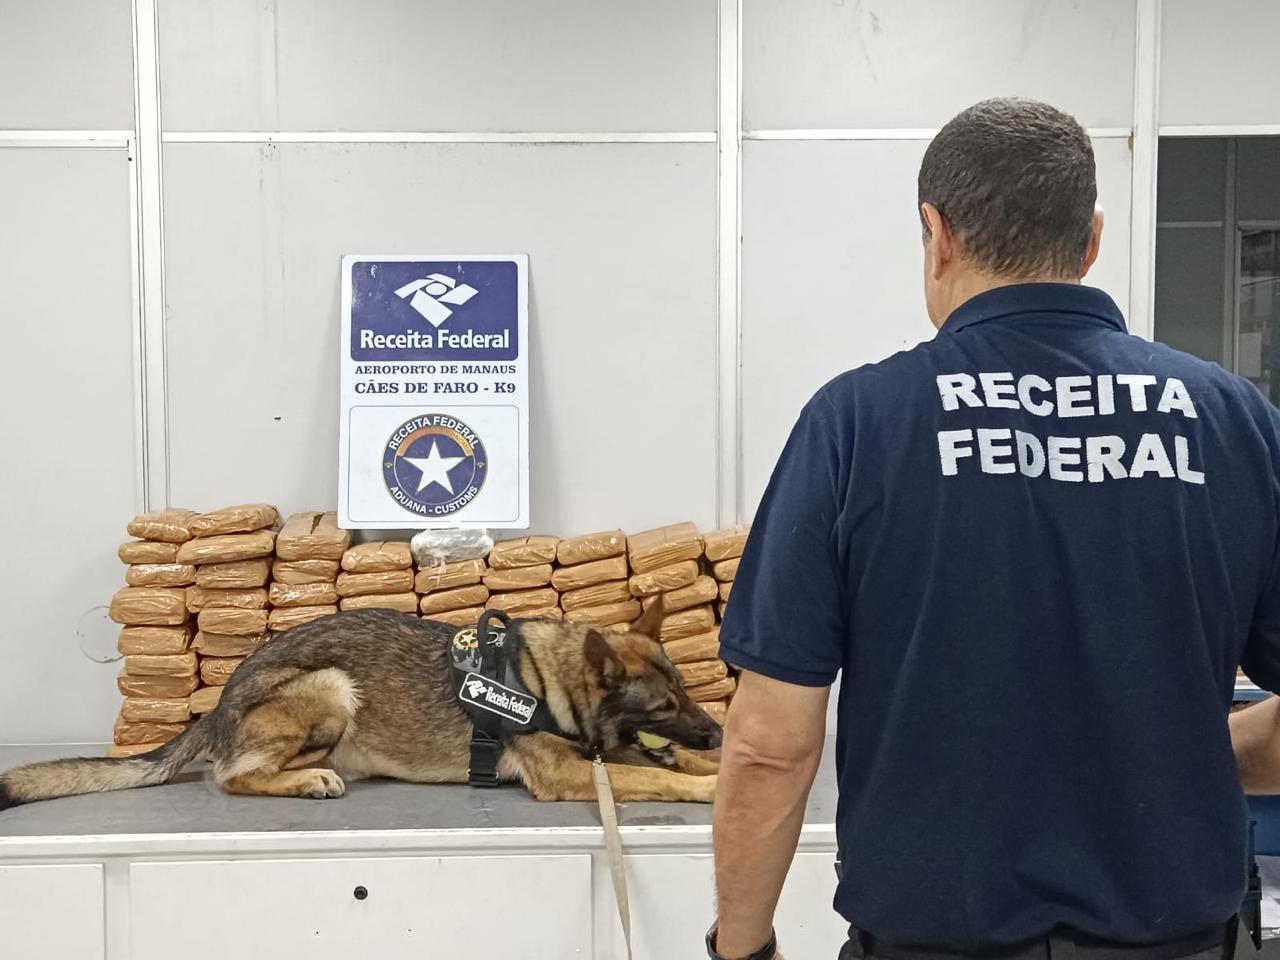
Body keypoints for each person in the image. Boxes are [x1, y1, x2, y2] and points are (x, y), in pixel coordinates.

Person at [706, 97, 1280, 960]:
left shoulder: (858, 422)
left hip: (931, 940)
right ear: (1090, 242)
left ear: (937, 234)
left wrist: (739, 948)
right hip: (1173, 940)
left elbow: (768, 744)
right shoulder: (1233, 421)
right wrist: (1197, 752)